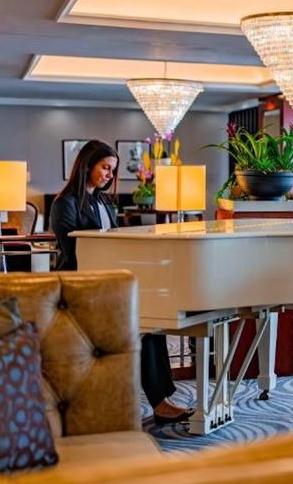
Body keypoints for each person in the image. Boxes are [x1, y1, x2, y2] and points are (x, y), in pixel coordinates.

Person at [51, 139, 194, 425]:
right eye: (105, 168)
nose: (110, 175)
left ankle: (161, 402)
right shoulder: (64, 204)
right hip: (81, 289)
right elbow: (74, 252)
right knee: (144, 322)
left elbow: (117, 243)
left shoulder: (103, 201)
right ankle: (159, 403)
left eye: (112, 170)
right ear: (87, 165)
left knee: (151, 321)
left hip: (111, 284)